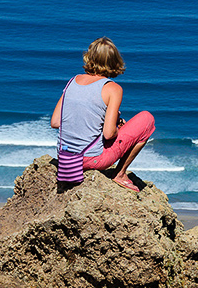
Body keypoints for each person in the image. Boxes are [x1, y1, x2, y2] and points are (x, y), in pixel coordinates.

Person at [51, 37, 155, 191]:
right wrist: (118, 127)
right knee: (147, 119)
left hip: (65, 159)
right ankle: (119, 173)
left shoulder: (72, 81)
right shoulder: (113, 88)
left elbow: (55, 122)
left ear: (89, 57)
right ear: (114, 61)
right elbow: (108, 134)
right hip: (91, 160)